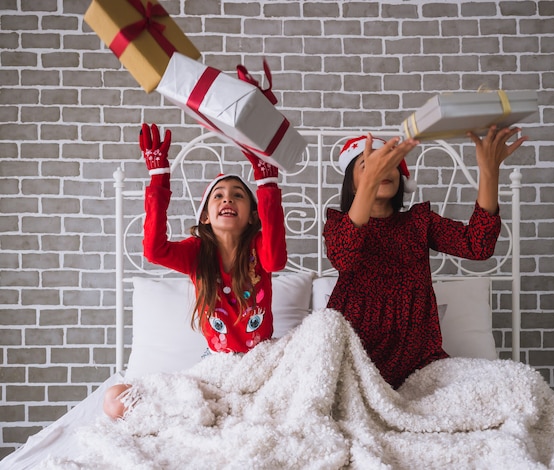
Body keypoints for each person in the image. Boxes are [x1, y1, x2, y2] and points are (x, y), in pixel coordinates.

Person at [103, 123, 287, 418]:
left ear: (253, 216)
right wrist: (159, 178)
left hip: (263, 364)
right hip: (217, 366)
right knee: (115, 399)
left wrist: (266, 182)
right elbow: (154, 250)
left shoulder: (260, 247)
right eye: (219, 195)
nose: (228, 199)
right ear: (205, 216)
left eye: (238, 195)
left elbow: (276, 261)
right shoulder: (196, 252)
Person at [323, 126, 528, 389]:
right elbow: (343, 257)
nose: (383, 170)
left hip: (416, 359)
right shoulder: (338, 224)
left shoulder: (419, 222)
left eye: (390, 164)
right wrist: (370, 184)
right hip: (351, 356)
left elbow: (478, 245)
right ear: (351, 183)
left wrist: (489, 171)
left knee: (501, 386)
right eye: (370, 165)